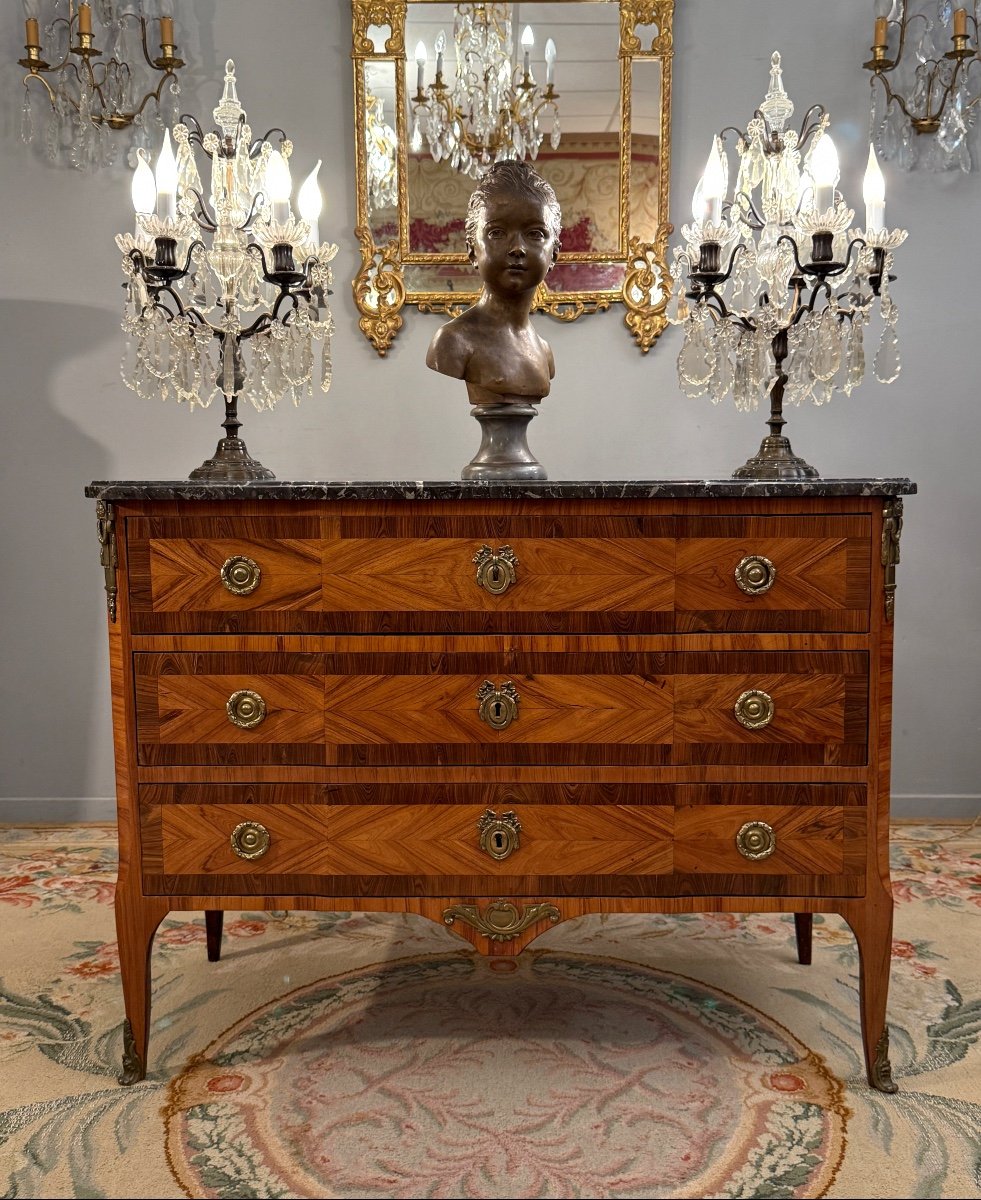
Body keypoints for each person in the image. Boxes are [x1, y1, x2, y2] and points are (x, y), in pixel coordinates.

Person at [426, 160, 561, 406]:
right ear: (471, 251)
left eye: (535, 234)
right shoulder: (453, 341)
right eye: (497, 232)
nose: (518, 248)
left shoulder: (544, 351)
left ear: (554, 254)